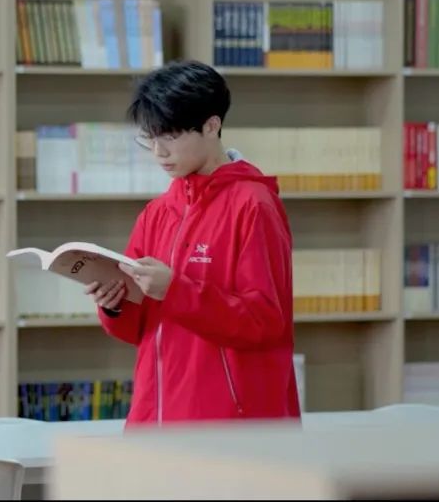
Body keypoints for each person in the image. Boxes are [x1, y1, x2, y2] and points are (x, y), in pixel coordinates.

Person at [84, 60, 300, 427]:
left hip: (228, 427)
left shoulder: (254, 205)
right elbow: (137, 330)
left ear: (211, 126)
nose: (158, 151)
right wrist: (114, 305)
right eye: (150, 137)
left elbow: (264, 322)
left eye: (170, 136)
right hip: (154, 420)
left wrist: (175, 290)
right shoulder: (156, 213)